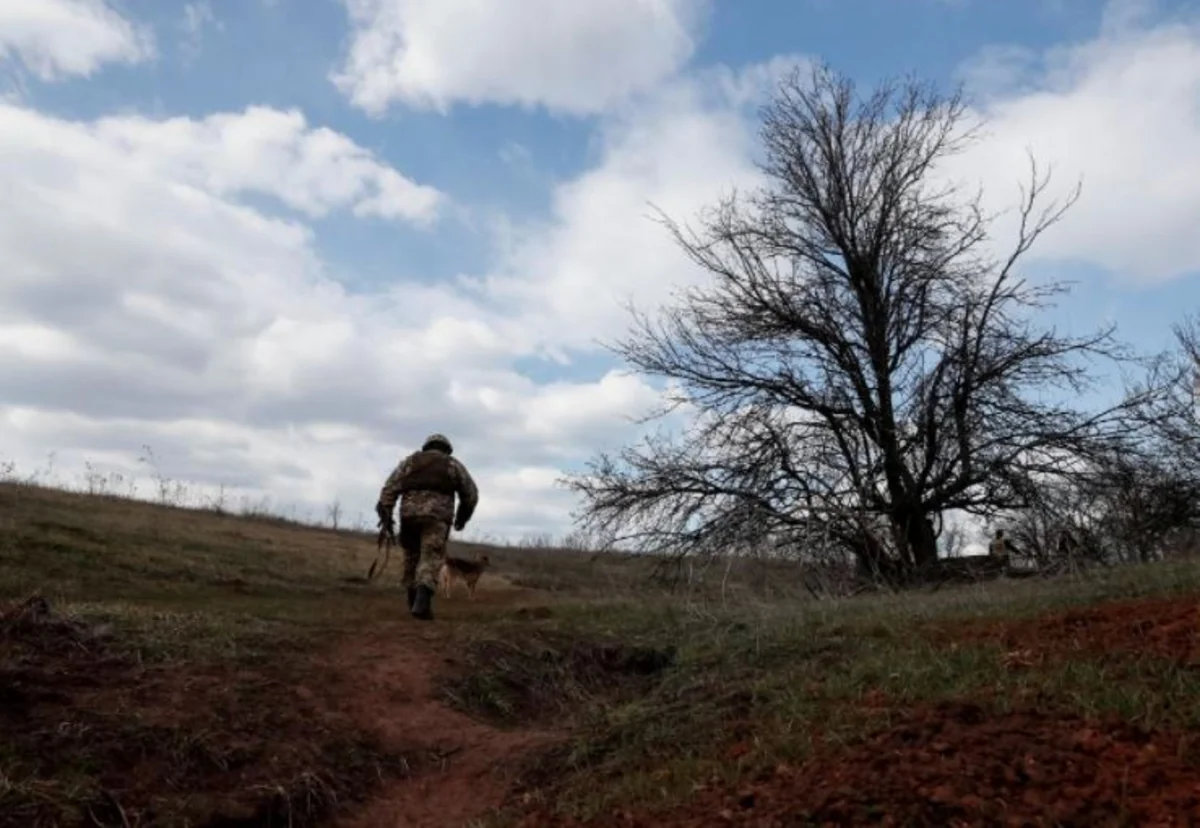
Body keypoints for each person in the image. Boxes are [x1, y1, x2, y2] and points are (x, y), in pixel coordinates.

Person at [375, 433, 478, 620]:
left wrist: (386, 512)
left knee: (411, 558)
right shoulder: (452, 464)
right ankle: (422, 604)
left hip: (409, 517)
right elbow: (471, 494)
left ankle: (412, 601)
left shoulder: (410, 462)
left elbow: (390, 487)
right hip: (436, 518)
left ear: (427, 446)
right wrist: (462, 518)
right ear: (446, 449)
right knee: (431, 557)